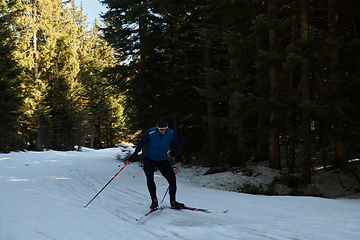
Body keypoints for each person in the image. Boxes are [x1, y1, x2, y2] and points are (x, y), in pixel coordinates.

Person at [128, 118, 185, 209]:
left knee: (172, 180)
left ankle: (173, 201)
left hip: (162, 159)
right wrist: (135, 153)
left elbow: (176, 143)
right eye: (161, 129)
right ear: (157, 127)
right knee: (150, 178)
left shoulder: (170, 133)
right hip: (149, 158)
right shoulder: (151, 132)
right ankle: (154, 201)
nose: (163, 131)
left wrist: (178, 154)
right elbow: (142, 141)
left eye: (165, 128)